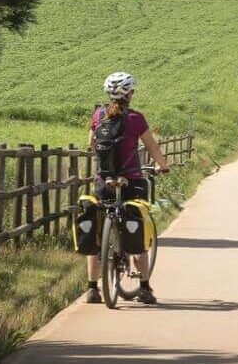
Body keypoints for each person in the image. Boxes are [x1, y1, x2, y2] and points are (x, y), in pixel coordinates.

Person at [85, 70, 171, 305]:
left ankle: (92, 289)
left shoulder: (98, 114)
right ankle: (144, 287)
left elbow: (91, 144)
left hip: (103, 181)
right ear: (130, 94)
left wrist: (104, 170)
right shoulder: (136, 119)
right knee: (138, 229)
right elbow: (152, 148)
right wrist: (162, 166)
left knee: (96, 231)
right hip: (131, 180)